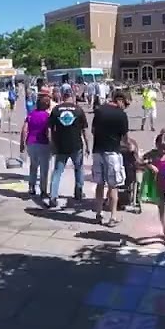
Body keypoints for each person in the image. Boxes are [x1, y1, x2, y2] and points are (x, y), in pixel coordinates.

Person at [91, 90, 130, 227]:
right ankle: (113, 216)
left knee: (100, 184)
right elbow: (125, 139)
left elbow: (93, 130)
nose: (125, 107)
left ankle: (98, 214)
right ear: (120, 100)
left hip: (97, 150)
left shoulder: (99, 110)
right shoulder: (121, 115)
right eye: (126, 104)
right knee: (113, 186)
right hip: (112, 152)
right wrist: (130, 147)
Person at [47, 90, 89, 210]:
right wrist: (87, 145)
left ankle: (53, 197)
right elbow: (84, 130)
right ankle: (78, 192)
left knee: (57, 172)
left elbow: (49, 129)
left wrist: (52, 143)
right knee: (79, 169)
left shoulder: (56, 110)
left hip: (60, 145)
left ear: (62, 97)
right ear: (72, 97)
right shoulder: (78, 110)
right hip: (76, 145)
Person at [20, 94, 53, 201]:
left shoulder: (30, 115)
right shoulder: (47, 116)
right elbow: (48, 131)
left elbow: (24, 130)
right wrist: (52, 144)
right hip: (43, 143)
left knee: (33, 166)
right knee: (44, 169)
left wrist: (22, 144)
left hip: (31, 143)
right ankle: (43, 191)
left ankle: (31, 187)